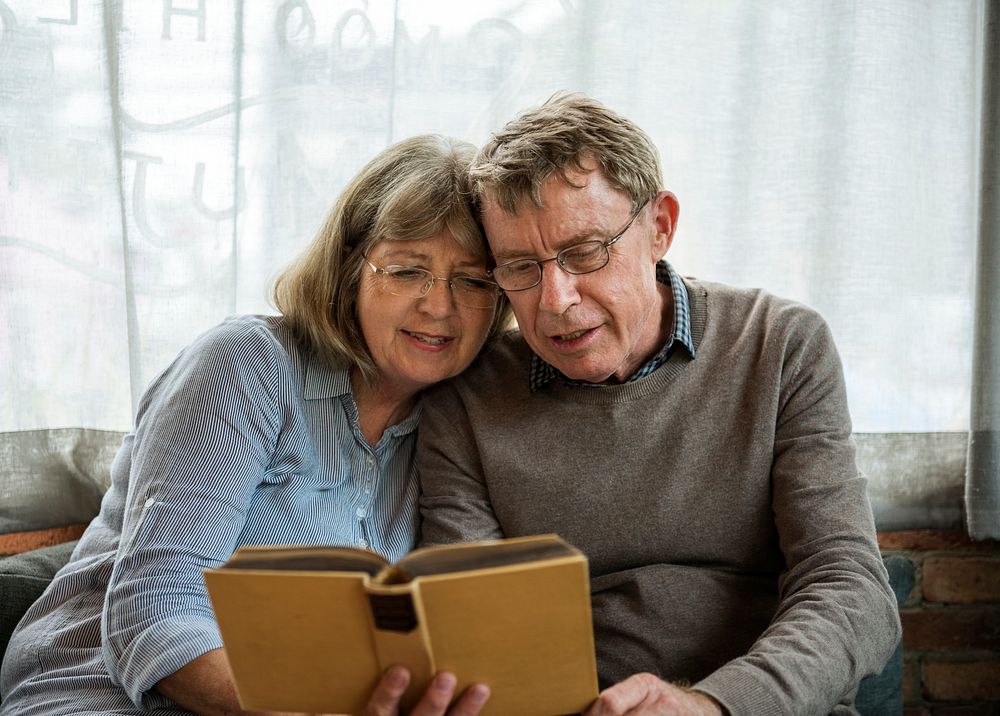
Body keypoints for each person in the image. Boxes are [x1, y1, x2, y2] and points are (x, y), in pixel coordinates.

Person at [416, 94, 902, 715]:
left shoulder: (779, 346)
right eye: (520, 268)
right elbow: (474, 617)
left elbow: (851, 590)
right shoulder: (467, 397)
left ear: (660, 228)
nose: (556, 300)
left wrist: (712, 706)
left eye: (586, 252)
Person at [0, 135, 510, 716]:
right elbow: (155, 605)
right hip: (101, 693)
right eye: (407, 270)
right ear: (349, 270)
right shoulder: (249, 364)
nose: (439, 306)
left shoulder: (451, 429)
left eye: (472, 281)